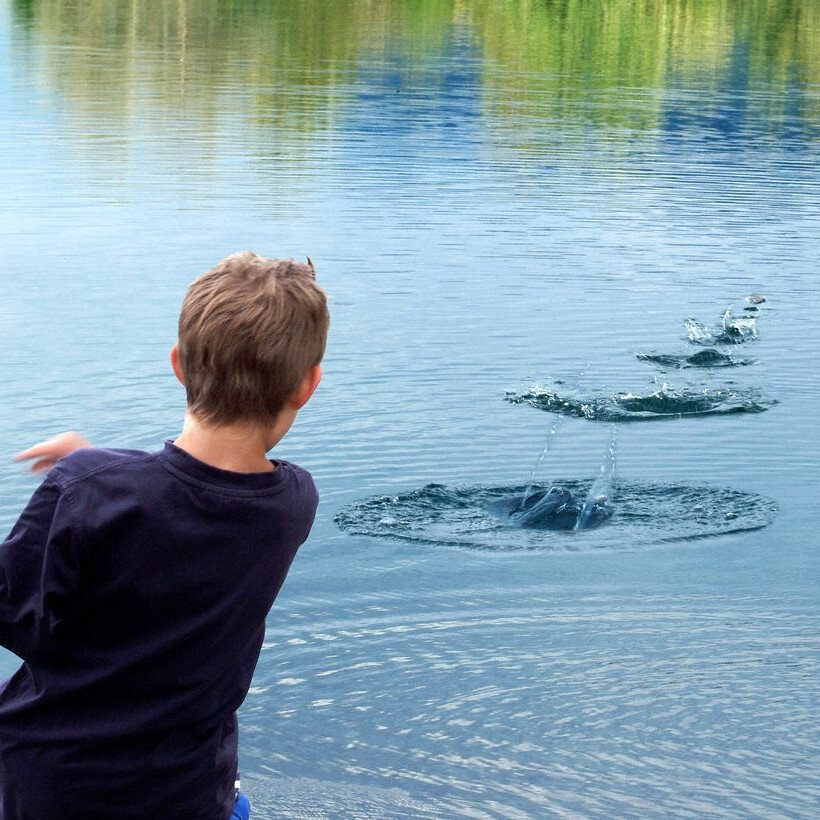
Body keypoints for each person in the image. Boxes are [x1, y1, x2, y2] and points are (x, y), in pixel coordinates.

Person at [0, 252, 329, 819]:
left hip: (52, 787)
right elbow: (181, 503)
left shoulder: (87, 490)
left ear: (178, 364)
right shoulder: (294, 502)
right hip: (190, 792)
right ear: (307, 385)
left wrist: (81, 475)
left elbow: (12, 614)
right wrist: (94, 471)